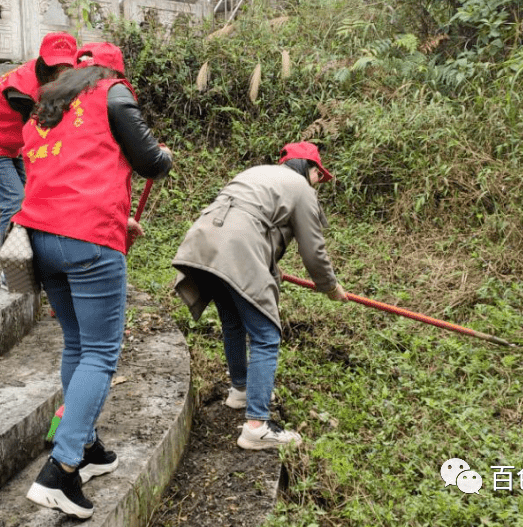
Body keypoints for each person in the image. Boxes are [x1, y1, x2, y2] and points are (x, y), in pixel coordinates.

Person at [17, 43, 172, 519]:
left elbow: (62, 173)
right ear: (112, 71)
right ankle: (61, 470)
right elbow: (149, 161)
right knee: (102, 353)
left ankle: (85, 446)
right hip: (88, 242)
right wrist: (163, 155)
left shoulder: (44, 108)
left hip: (42, 239)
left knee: (77, 346)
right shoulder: (113, 93)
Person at [172, 142, 348, 450]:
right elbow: (313, 250)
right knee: (267, 335)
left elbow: (256, 224)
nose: (320, 182)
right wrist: (330, 287)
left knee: (233, 321)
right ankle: (257, 426)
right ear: (311, 169)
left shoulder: (258, 173)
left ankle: (240, 389)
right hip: (238, 246)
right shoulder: (302, 188)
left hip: (205, 240)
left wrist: (268, 268)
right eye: (320, 175)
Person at [0, 31, 77, 249]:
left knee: (32, 202)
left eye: (66, 66)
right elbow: (38, 137)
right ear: (43, 60)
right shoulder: (22, 92)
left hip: (12, 142)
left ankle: (30, 259)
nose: (60, 73)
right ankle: (11, 270)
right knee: (15, 203)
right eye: (55, 66)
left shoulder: (60, 80)